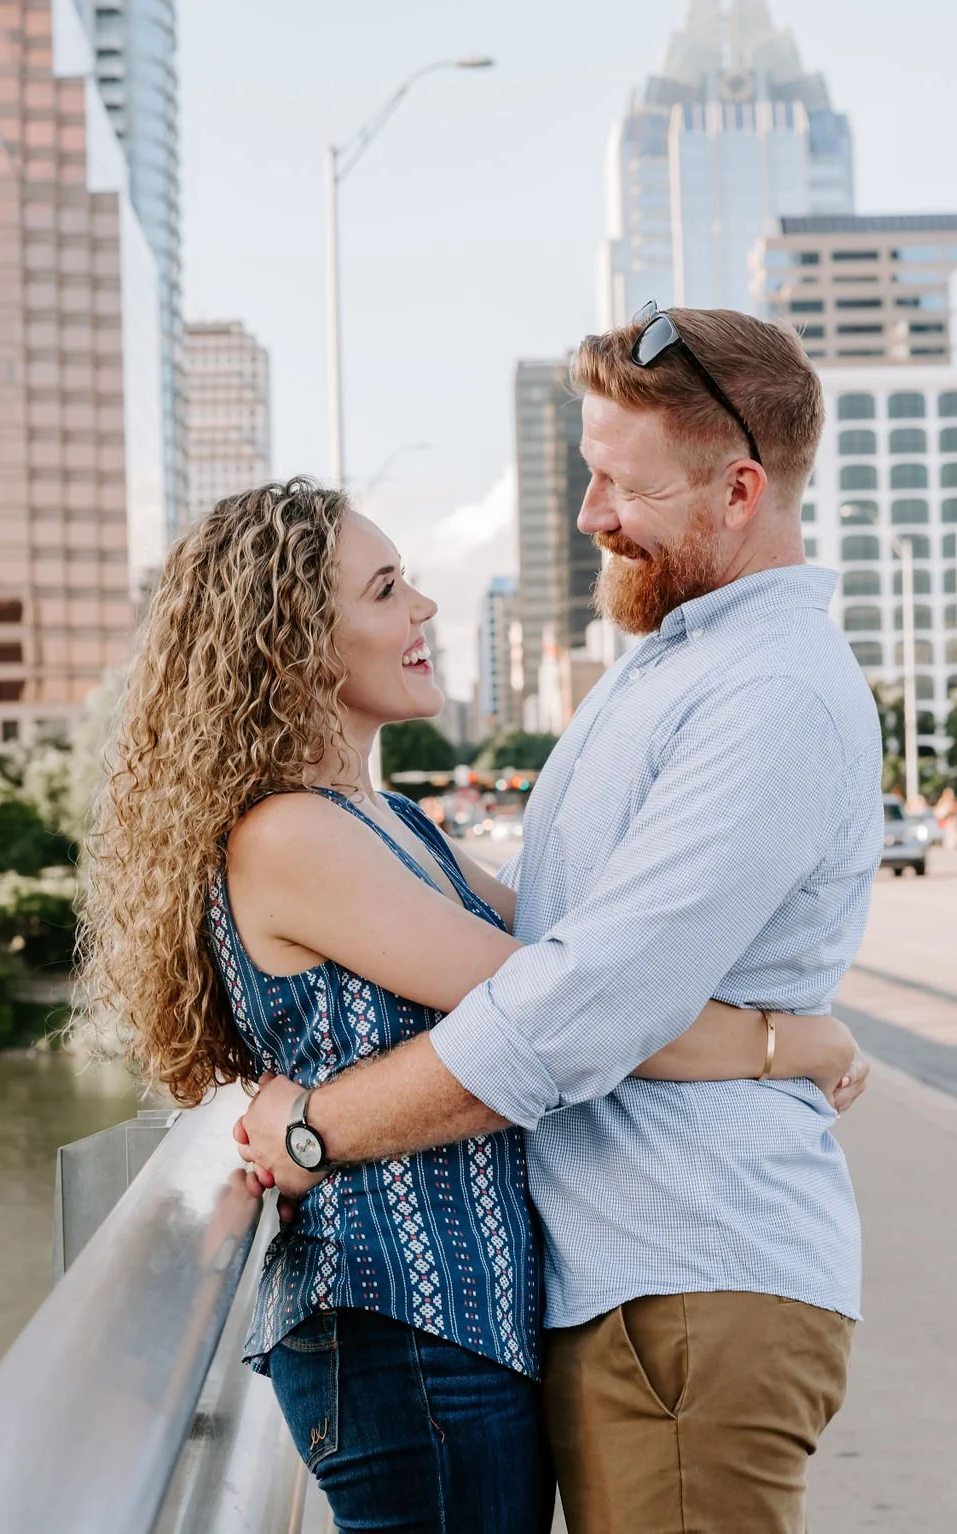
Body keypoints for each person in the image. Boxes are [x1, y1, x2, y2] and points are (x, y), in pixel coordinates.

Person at [76, 476, 864, 1534]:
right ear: (297, 641)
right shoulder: (289, 837)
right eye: (386, 590)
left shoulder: (389, 820)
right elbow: (564, 1011)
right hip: (399, 1327)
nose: (424, 611)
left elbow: (585, 963)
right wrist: (789, 1045)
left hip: (460, 1327)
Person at [237, 307, 884, 1534]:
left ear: (738, 490)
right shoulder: (666, 666)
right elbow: (557, 932)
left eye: (617, 484)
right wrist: (782, 1038)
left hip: (692, 1273)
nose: (589, 513)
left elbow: (575, 1005)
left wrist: (318, 1131)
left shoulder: (773, 694)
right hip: (628, 1282)